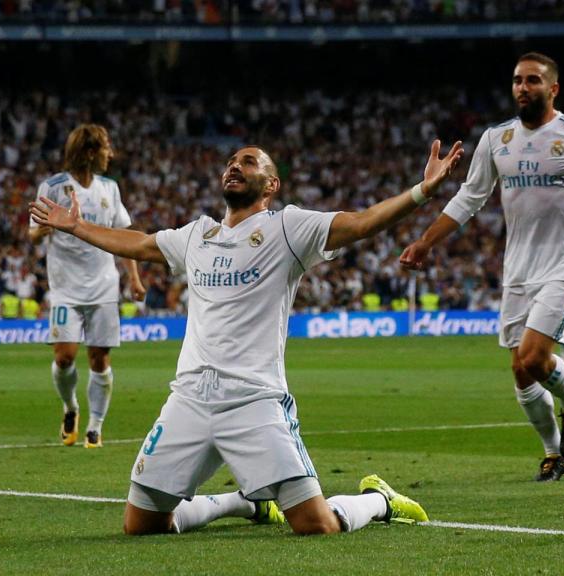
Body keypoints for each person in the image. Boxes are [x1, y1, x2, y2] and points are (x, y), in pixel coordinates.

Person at [30, 140, 463, 536]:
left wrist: (422, 191)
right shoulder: (197, 235)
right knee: (142, 525)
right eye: (231, 162)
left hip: (253, 400)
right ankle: (243, 503)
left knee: (317, 525)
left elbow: (362, 223)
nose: (235, 166)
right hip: (189, 400)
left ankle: (379, 500)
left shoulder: (288, 228)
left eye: (249, 162)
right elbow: (139, 244)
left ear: (271, 184)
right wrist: (76, 227)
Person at [400, 52, 564, 482]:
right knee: (521, 371)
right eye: (517, 81)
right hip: (518, 270)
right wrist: (425, 241)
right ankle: (555, 454)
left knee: (533, 356)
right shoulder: (497, 139)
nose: (523, 88)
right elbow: (470, 197)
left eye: (532, 80)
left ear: (553, 88)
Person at [28, 124, 146, 449]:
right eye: (106, 148)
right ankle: (70, 408)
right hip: (65, 288)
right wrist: (43, 229)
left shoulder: (110, 188)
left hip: (104, 286)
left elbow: (123, 236)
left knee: (99, 359)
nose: (111, 154)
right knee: (64, 357)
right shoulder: (53, 187)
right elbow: (33, 232)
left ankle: (95, 426)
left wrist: (134, 278)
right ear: (91, 152)